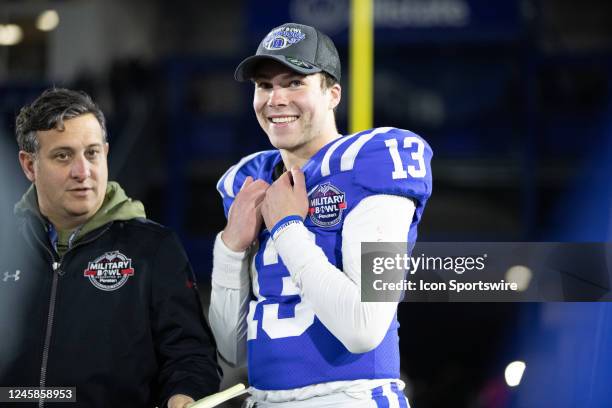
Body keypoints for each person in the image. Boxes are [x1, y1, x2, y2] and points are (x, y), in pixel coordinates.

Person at [209, 23, 433, 407]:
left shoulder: (371, 165)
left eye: (294, 82)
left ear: (333, 94)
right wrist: (229, 249)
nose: (276, 98)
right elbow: (230, 350)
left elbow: (364, 328)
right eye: (264, 86)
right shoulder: (251, 183)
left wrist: (288, 228)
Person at [0, 88, 221, 408]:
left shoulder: (153, 250)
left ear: (105, 152)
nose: (82, 172)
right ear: (29, 165)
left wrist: (184, 395)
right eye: (63, 155)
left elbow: (191, 357)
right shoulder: (7, 249)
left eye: (91, 153)